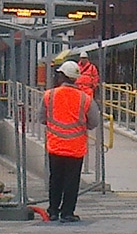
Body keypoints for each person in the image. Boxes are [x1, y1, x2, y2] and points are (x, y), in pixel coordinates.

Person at [38, 60, 100, 222]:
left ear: (61, 77)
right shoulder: (85, 99)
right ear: (75, 78)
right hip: (75, 147)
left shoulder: (49, 95)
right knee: (71, 181)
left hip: (55, 145)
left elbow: (41, 118)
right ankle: (67, 212)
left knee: (55, 178)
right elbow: (94, 122)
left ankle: (52, 211)